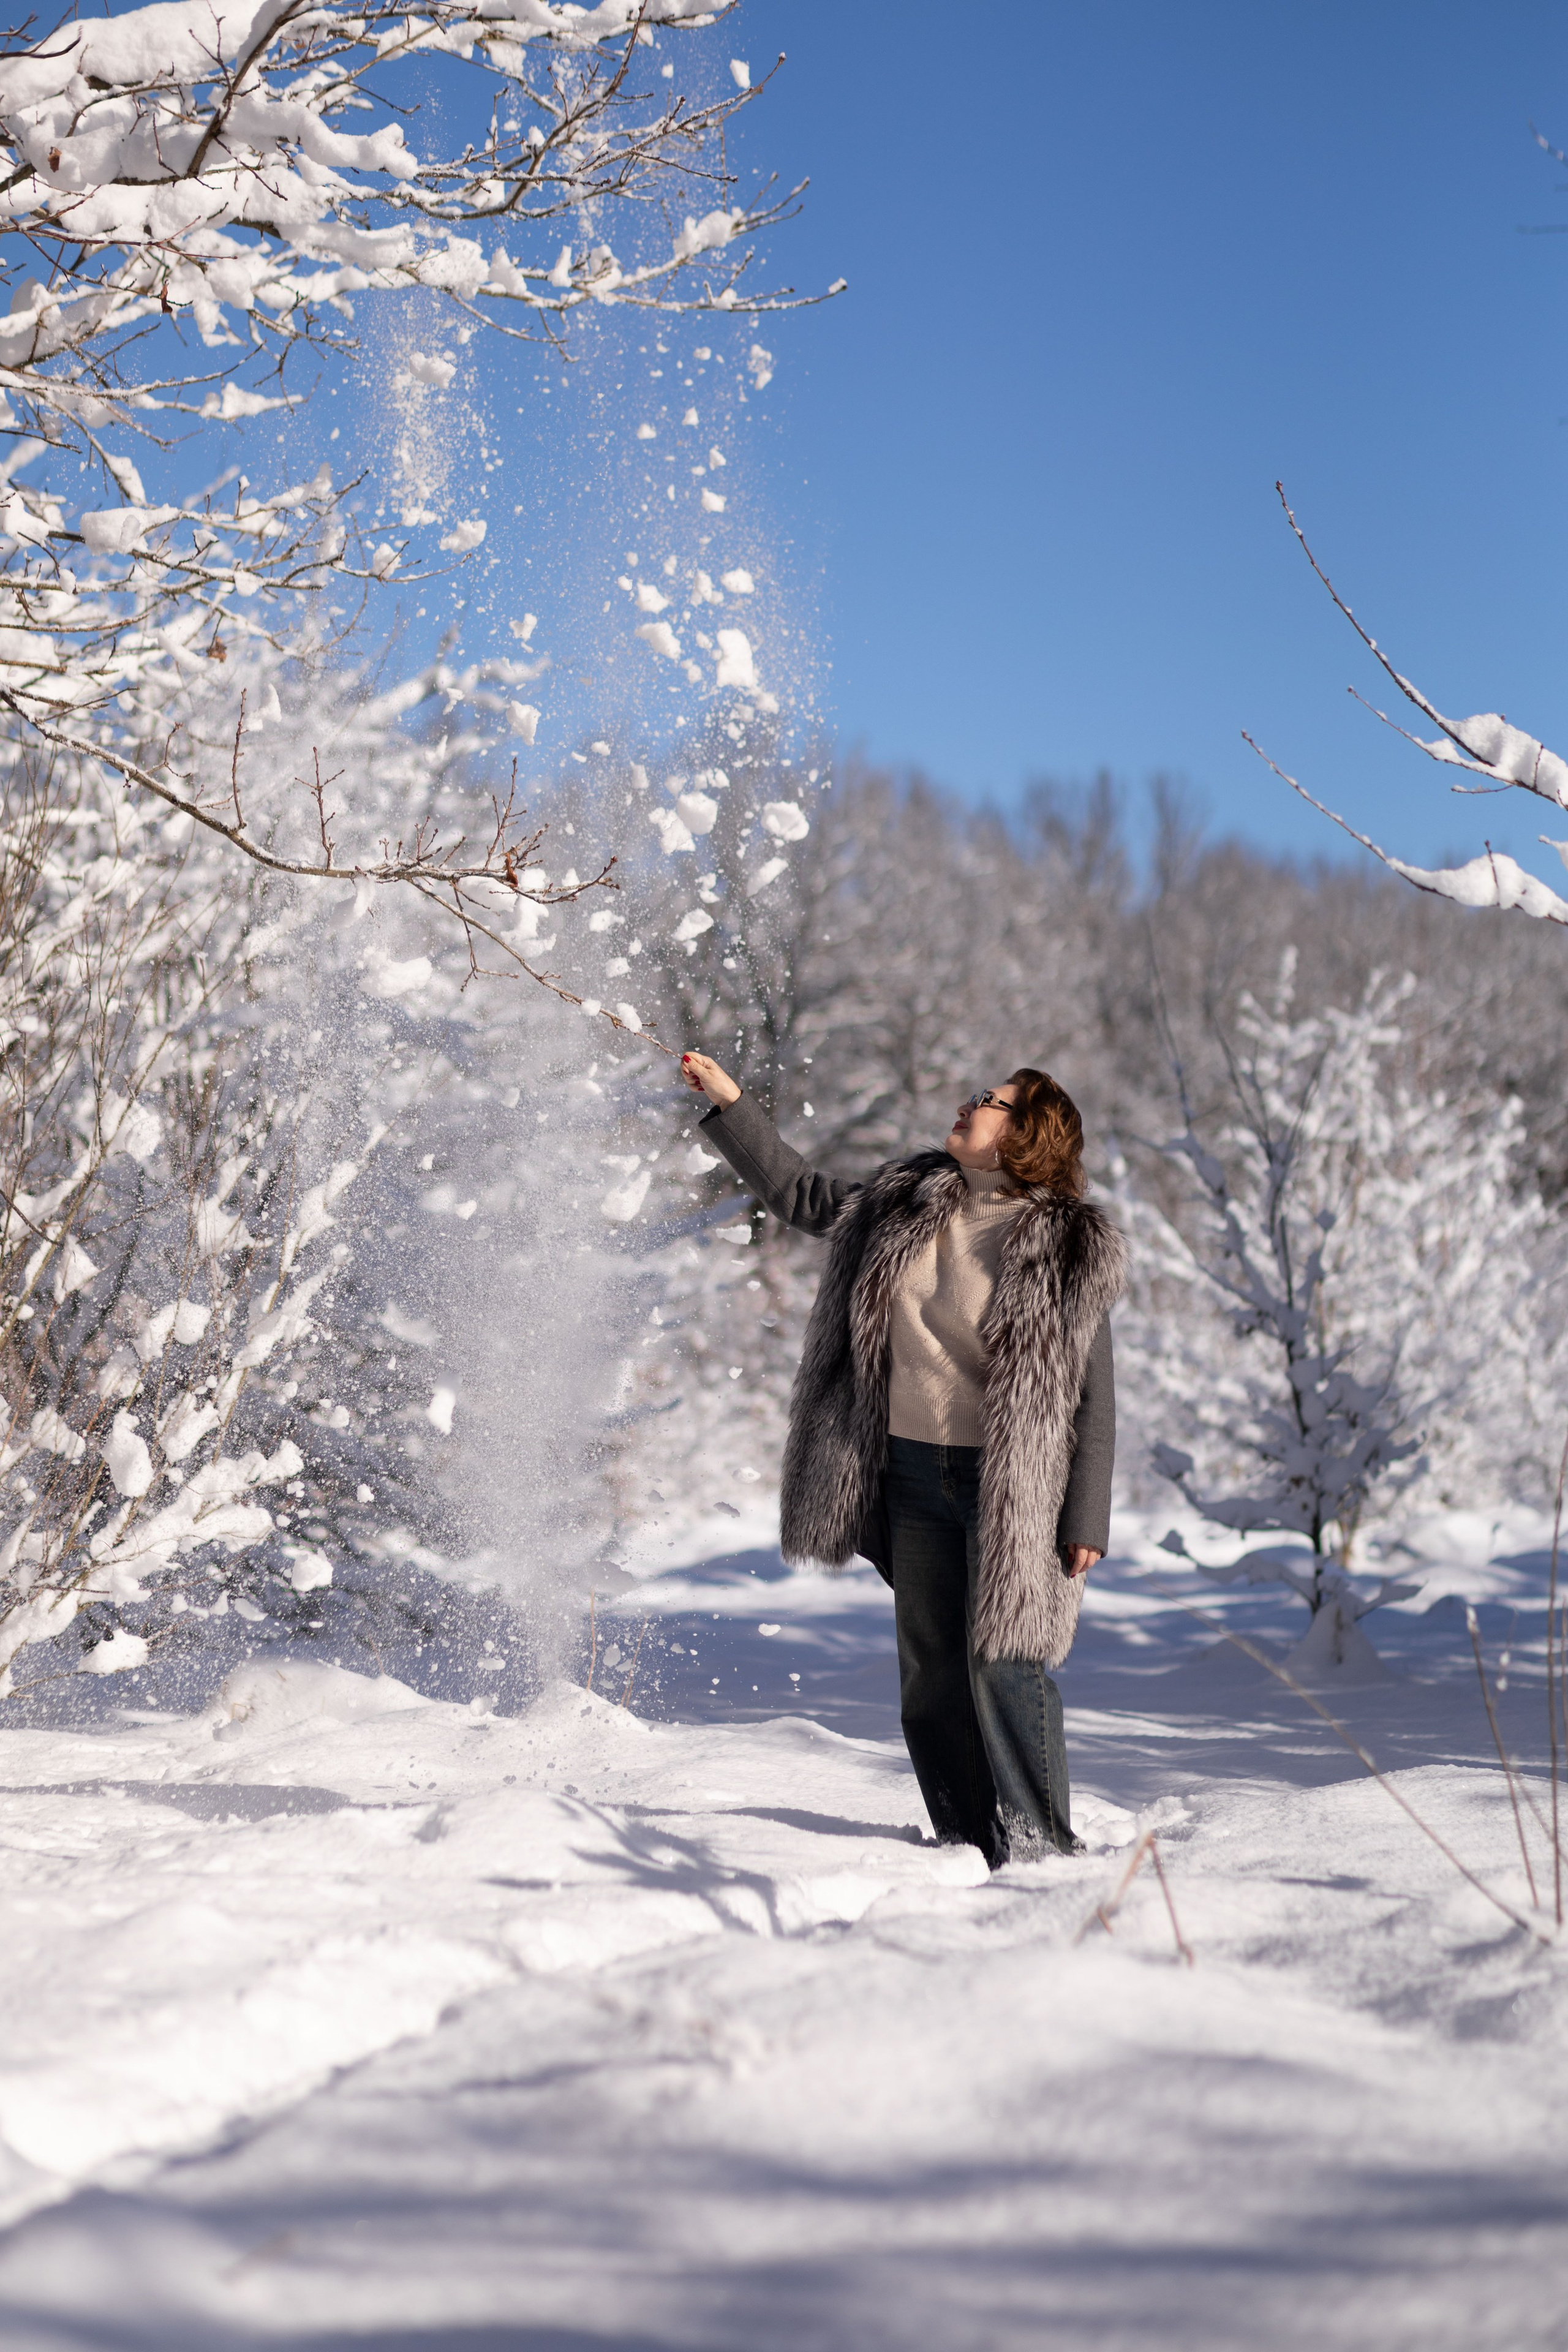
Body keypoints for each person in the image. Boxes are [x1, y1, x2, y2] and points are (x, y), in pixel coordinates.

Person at [679, 1053, 1125, 1867]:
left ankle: (1041, 1848)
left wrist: (1085, 1514)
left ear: (1026, 1132)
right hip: (911, 1475)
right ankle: (966, 1841)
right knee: (931, 1674)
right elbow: (803, 1197)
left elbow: (1093, 1393)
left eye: (989, 1101)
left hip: (1011, 1490)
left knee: (1004, 1665)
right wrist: (732, 1105)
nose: (967, 1104)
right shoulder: (904, 1201)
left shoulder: (1067, 1242)